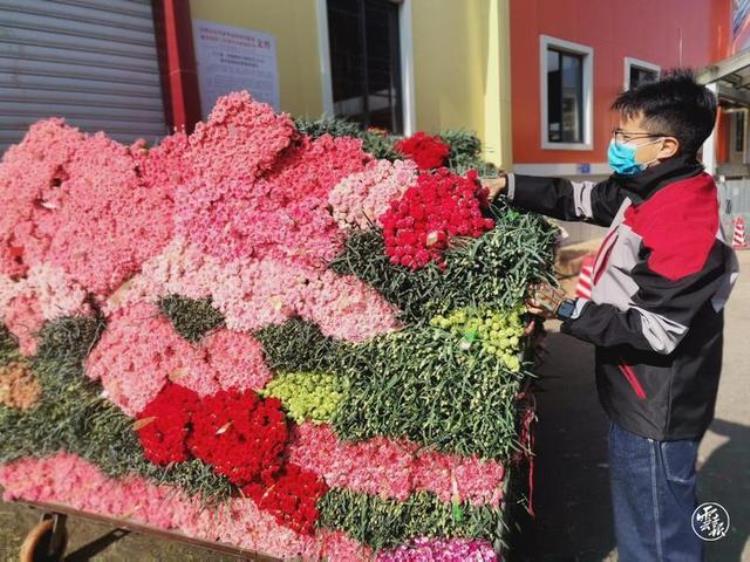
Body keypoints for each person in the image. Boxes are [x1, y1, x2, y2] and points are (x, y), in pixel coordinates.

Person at [482, 69, 739, 562]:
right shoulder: (648, 187)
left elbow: (656, 331)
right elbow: (578, 199)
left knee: (657, 533)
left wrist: (567, 308)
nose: (615, 143)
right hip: (636, 387)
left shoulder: (686, 220)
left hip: (656, 402)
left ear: (665, 145)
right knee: (654, 513)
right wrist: (509, 185)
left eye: (625, 135)